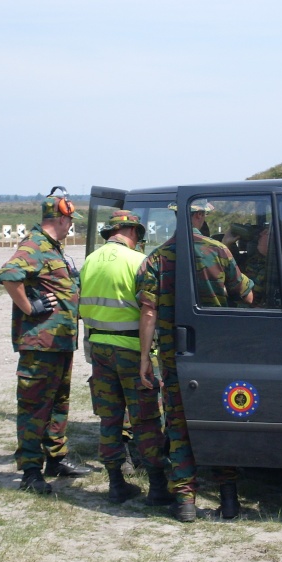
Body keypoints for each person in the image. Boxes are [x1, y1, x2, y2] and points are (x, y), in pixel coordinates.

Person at [136, 200, 254, 522]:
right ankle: (229, 500)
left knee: (178, 425)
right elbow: (247, 296)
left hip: (176, 356)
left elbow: (148, 311)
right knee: (219, 422)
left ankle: (186, 502)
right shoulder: (219, 252)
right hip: (218, 355)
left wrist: (145, 358)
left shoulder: (156, 259)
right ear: (199, 216)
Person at [0, 186, 90, 494]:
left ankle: (55, 458)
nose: (72, 224)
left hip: (59, 343)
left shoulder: (53, 247)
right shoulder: (35, 245)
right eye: (70, 219)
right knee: (34, 407)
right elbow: (9, 274)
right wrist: (29, 307)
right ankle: (31, 471)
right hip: (40, 345)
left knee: (58, 404)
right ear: (59, 218)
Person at [79, 210, 173, 505]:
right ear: (132, 231)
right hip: (132, 350)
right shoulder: (138, 261)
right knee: (145, 418)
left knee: (110, 418)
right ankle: (157, 487)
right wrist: (147, 356)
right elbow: (149, 311)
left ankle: (116, 483)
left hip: (100, 348)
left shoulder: (90, 261)